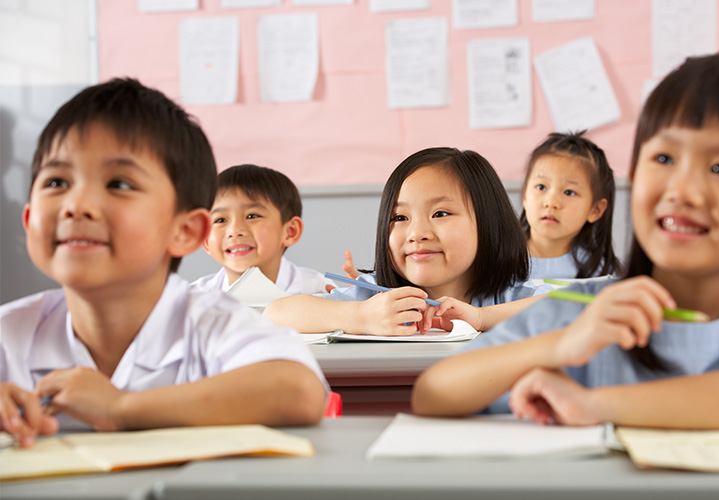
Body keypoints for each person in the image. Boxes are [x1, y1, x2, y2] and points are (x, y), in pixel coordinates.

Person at [412, 52, 719, 429]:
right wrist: (563, 344)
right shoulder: (583, 308)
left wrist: (595, 404)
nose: (682, 190)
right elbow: (433, 392)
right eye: (664, 159)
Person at [0, 78, 328, 448]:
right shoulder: (9, 333)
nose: (77, 205)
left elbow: (298, 390)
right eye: (57, 182)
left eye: (119, 184)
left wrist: (120, 408)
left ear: (186, 231)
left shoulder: (211, 323)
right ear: (28, 220)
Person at [264, 147, 551, 336]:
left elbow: (581, 305)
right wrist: (362, 317)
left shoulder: (506, 297)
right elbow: (275, 313)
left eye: (440, 213)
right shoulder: (377, 299)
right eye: (399, 218)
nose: (417, 233)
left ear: (489, 223)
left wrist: (482, 318)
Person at [192, 164, 334, 295]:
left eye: (252, 216)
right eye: (220, 220)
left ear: (290, 231)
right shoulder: (192, 300)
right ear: (205, 240)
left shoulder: (319, 290)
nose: (234, 230)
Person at [520, 131, 620, 280]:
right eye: (541, 187)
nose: (551, 202)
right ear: (526, 196)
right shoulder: (493, 261)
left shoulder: (602, 274)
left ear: (596, 210)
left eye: (569, 192)